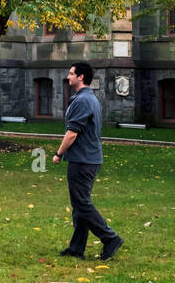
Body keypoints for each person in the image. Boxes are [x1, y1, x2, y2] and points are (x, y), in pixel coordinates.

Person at [52, 62, 123, 260]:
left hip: (83, 160)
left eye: (71, 73)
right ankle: (76, 248)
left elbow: (72, 133)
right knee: (79, 204)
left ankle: (110, 238)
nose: (68, 77)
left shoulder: (83, 101)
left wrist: (58, 154)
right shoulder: (88, 98)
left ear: (81, 77)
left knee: (81, 203)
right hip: (87, 158)